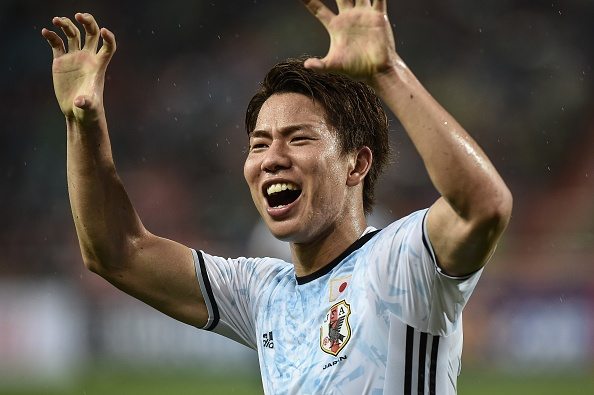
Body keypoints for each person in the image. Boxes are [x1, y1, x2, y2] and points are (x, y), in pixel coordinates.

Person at [42, 0, 512, 393]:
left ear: (357, 163)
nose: (271, 159)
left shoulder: (401, 260)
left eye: (298, 139)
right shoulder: (263, 295)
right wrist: (84, 125)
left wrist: (388, 72)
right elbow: (117, 252)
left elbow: (484, 206)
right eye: (259, 144)